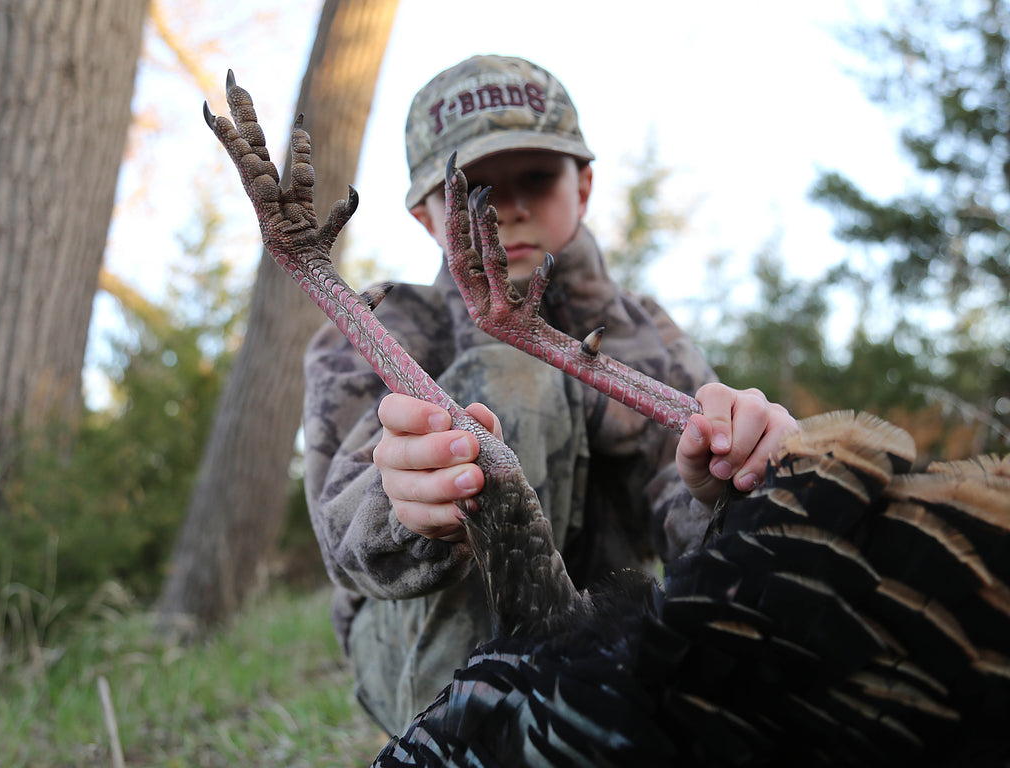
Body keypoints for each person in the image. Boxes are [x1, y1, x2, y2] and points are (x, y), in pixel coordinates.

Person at [302, 54, 796, 734]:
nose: (509, 207)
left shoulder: (647, 332)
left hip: (610, 640)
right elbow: (341, 538)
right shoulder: (374, 327)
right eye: (472, 187)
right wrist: (401, 503)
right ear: (426, 218)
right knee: (513, 379)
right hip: (420, 656)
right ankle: (482, 738)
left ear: (584, 187)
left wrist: (739, 478)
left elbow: (686, 528)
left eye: (537, 176)